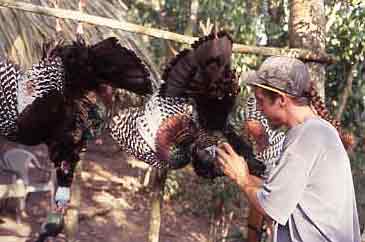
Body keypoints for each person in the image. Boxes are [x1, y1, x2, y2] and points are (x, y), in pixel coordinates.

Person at [216, 56, 361, 242]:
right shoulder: (316, 130)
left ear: (282, 100)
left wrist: (242, 178)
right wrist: (238, 171)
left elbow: (271, 207)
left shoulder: (307, 136)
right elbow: (280, 193)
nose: (259, 110)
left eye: (261, 101)